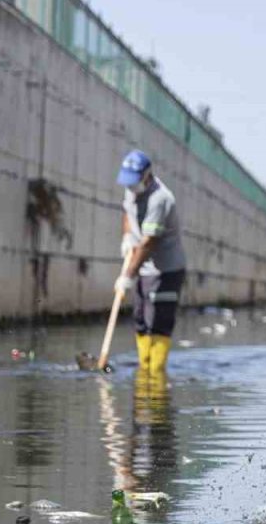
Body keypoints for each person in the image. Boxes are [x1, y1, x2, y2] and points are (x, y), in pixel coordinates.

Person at [116, 150, 187, 373]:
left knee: (157, 322)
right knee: (140, 319)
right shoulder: (132, 190)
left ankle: (155, 374)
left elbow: (148, 243)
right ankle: (143, 367)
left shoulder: (161, 199)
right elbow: (127, 213)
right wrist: (127, 237)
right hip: (142, 266)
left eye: (134, 182)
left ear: (147, 175)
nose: (130, 187)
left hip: (165, 270)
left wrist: (127, 276)